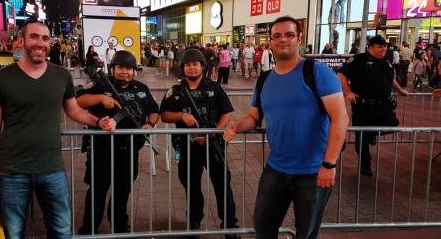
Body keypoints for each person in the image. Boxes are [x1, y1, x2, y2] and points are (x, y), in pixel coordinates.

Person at [0, 20, 117, 239]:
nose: (40, 43)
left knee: (62, 231)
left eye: (45, 38)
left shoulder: (61, 76)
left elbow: (74, 110)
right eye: (34, 37)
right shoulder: (1, 78)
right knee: (13, 233)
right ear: (21, 41)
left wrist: (98, 122)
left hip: (52, 169)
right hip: (12, 171)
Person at [223, 16, 348, 239]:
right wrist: (236, 126)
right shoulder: (264, 80)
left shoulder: (317, 72)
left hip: (313, 172)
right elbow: (254, 116)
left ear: (299, 38)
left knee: (306, 234)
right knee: (263, 228)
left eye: (289, 35)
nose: (283, 40)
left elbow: (340, 118)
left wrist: (329, 165)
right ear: (270, 42)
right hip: (276, 169)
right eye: (277, 36)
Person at [160, 48, 240, 239]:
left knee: (222, 186)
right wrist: (181, 115)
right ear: (183, 68)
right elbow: (164, 114)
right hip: (188, 147)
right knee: (191, 186)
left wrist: (213, 135)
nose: (192, 68)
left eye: (195, 64)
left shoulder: (214, 87)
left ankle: (230, 226)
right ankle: (194, 221)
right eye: (188, 65)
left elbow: (226, 113)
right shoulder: (176, 90)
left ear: (202, 67)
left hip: (213, 147)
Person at [77, 50, 159, 234]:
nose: (125, 72)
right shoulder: (100, 84)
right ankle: (89, 228)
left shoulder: (141, 88)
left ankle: (120, 225)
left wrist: (150, 124)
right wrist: (101, 98)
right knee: (98, 190)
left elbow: (154, 109)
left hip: (129, 150)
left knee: (123, 190)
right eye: (121, 67)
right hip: (102, 149)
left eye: (129, 68)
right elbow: (78, 100)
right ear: (112, 68)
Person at [337, 35, 408, 177]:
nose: (384, 49)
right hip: (364, 105)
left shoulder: (385, 62)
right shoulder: (359, 60)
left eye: (385, 46)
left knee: (392, 125)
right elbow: (341, 74)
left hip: (383, 104)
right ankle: (365, 165)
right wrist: (348, 92)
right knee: (361, 136)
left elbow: (391, 78)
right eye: (380, 46)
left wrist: (400, 90)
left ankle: (371, 135)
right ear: (370, 47)